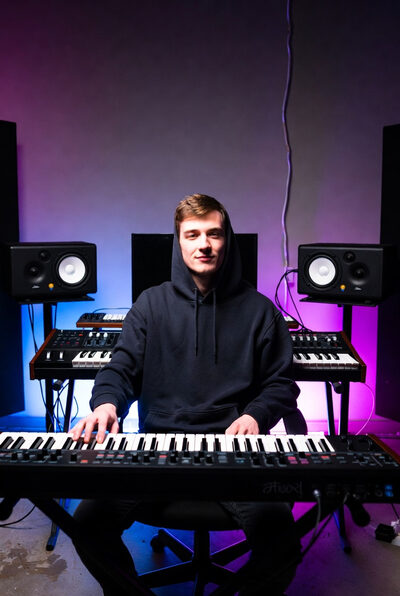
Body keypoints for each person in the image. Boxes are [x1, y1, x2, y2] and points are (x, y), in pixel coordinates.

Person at [70, 194, 301, 595]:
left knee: (282, 544)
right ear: (179, 242)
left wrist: (255, 416)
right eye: (192, 234)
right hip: (157, 451)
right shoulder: (150, 304)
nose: (204, 244)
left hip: (234, 454)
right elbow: (120, 368)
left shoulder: (261, 311)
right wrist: (106, 404)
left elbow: (281, 384)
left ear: (227, 240)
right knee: (88, 524)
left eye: (214, 234)